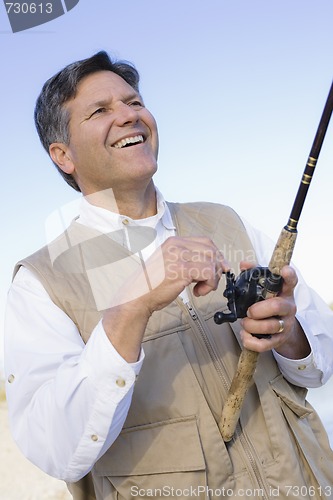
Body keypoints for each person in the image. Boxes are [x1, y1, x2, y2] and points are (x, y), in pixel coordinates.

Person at [4, 51, 333, 500]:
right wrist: (130, 308)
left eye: (134, 102)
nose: (128, 116)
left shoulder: (227, 221)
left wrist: (289, 331)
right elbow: (56, 450)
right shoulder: (41, 281)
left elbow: (319, 368)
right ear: (63, 155)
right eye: (100, 111)